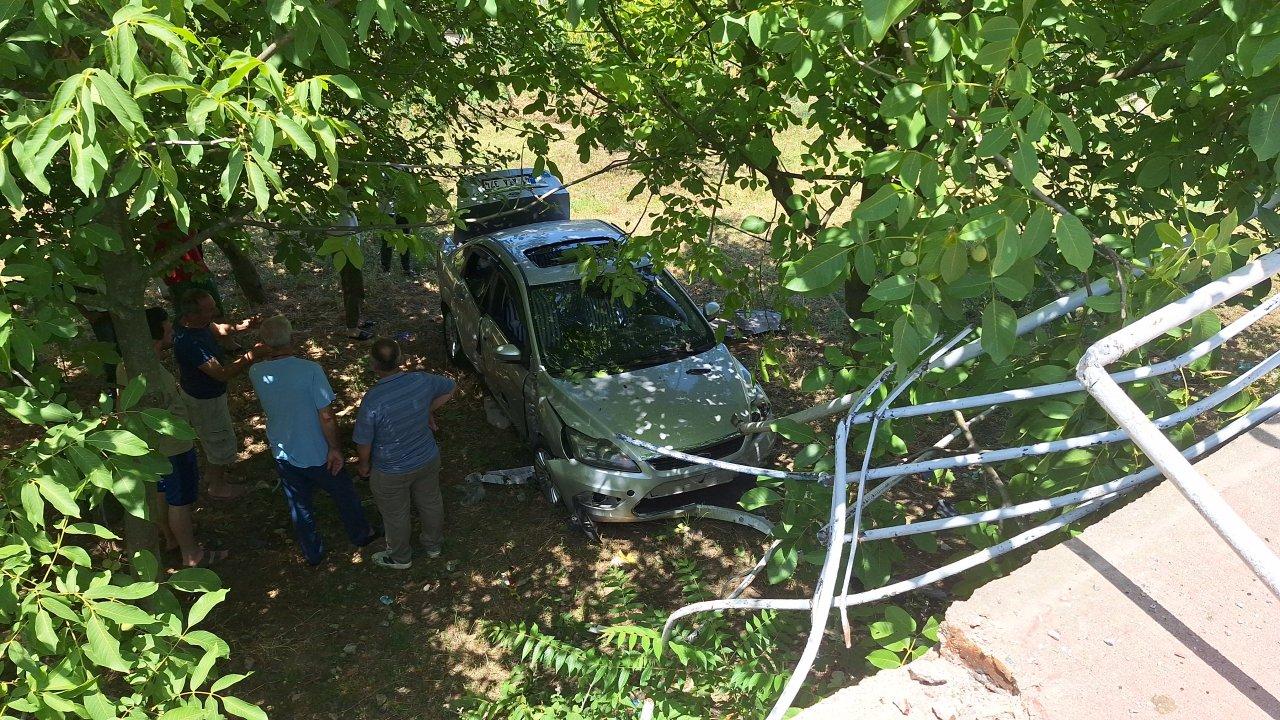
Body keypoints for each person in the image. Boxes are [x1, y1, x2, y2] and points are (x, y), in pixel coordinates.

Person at [248, 315, 379, 566]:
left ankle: (312, 551)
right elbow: (327, 416)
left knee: (299, 503)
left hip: (283, 449)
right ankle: (361, 533)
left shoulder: (256, 372)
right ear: (292, 339)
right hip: (317, 449)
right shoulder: (310, 371)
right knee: (344, 493)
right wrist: (335, 448)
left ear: (263, 343)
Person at [129, 308, 228, 567]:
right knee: (180, 502)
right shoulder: (153, 374)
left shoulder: (127, 366)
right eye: (168, 329)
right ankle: (191, 553)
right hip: (173, 447)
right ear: (156, 334)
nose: (173, 331)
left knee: (162, 493)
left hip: (151, 448)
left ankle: (170, 538)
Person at [354, 338, 455, 570]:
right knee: (430, 501)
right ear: (401, 359)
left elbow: (364, 441)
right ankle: (433, 545)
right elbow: (450, 387)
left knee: (395, 514)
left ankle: (400, 557)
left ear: (373, 365)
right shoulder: (421, 380)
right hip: (427, 457)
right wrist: (425, 410)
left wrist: (363, 465)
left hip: (391, 469)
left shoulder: (372, 400)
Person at [172, 289, 257, 500]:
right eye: (209, 310)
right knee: (219, 439)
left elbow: (216, 328)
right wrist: (250, 356)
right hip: (205, 399)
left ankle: (212, 476)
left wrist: (242, 326)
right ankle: (218, 488)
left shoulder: (190, 323)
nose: (215, 311)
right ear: (192, 315)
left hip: (198, 393)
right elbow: (220, 374)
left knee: (210, 437)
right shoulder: (191, 343)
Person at [333, 208, 374, 341]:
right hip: (344, 250)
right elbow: (330, 230)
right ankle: (352, 329)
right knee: (354, 287)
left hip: (349, 249)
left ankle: (356, 321)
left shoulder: (345, 202)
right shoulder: (338, 198)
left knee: (353, 286)